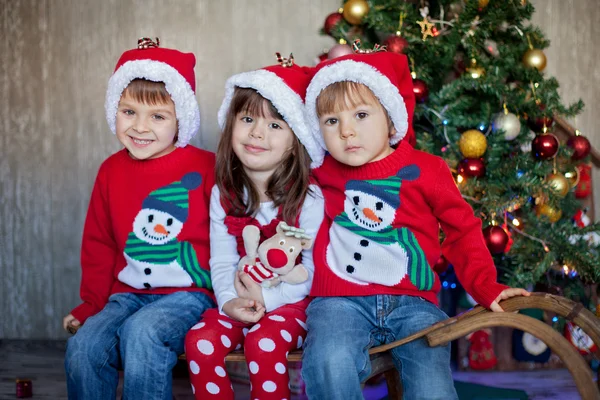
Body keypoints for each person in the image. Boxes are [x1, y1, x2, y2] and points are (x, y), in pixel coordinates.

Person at [300, 50, 529, 399]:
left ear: (392, 120)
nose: (346, 131)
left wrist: (485, 285)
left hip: (413, 302)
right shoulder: (321, 172)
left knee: (431, 383)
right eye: (331, 121)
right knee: (327, 361)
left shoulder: (428, 170)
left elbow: (462, 230)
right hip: (339, 300)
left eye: (361, 115)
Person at [63, 38, 216, 400]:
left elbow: (233, 231)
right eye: (128, 112)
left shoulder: (207, 167)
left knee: (143, 332)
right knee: (85, 347)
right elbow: (99, 244)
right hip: (126, 295)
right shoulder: (111, 171)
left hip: (190, 295)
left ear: (182, 118)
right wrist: (91, 304)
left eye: (158, 116)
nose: (140, 127)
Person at [184, 58, 324, 400]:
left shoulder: (309, 197)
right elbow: (220, 260)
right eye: (247, 119)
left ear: (296, 139)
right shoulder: (225, 193)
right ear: (232, 125)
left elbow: (313, 272)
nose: (257, 133)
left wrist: (269, 298)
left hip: (294, 304)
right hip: (241, 298)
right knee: (199, 343)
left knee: (263, 344)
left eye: (275, 125)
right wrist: (230, 302)